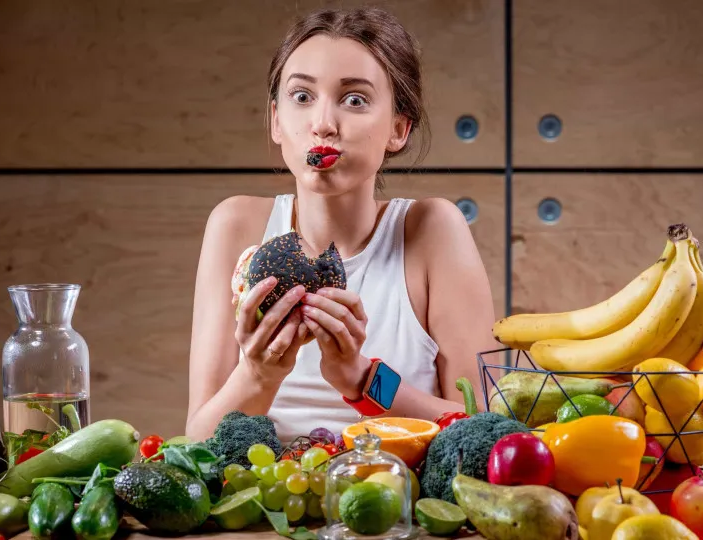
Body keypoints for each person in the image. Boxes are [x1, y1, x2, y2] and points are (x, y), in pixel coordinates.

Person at [185, 7, 499, 442]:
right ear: (277, 120)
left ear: (398, 129)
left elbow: (485, 427)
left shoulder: (432, 230)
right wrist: (258, 374)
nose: (323, 124)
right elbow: (198, 437)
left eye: (355, 99)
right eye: (302, 96)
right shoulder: (236, 226)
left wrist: (363, 379)